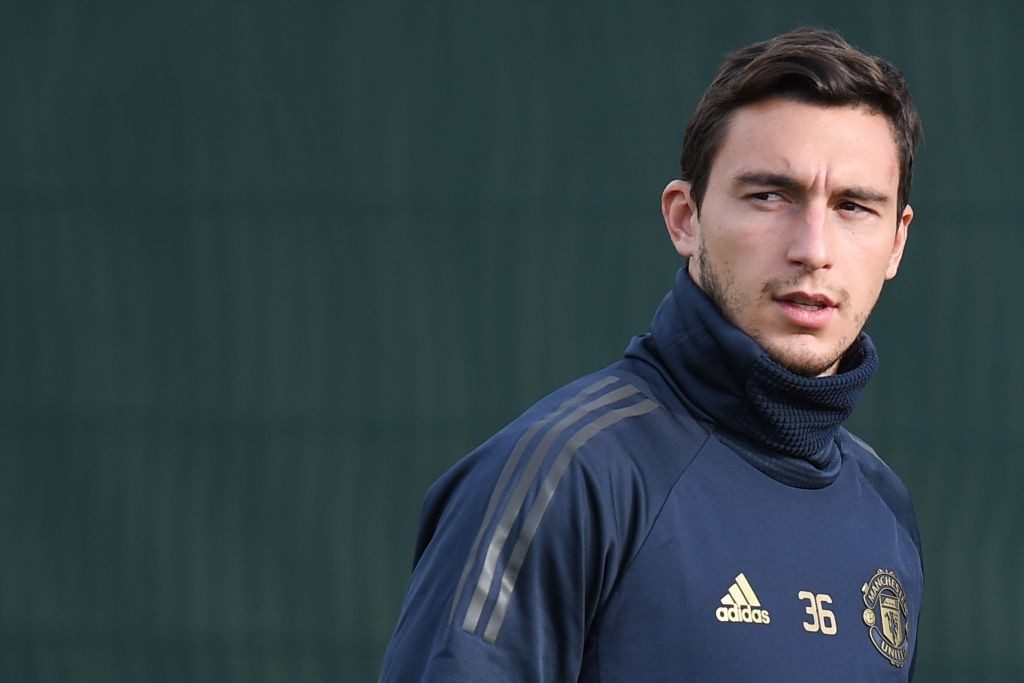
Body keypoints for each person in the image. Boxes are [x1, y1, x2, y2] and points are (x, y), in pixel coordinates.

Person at [379, 27, 923, 681]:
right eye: (770, 196)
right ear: (685, 219)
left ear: (896, 243)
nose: (813, 248)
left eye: (854, 206)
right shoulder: (563, 478)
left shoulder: (884, 510)